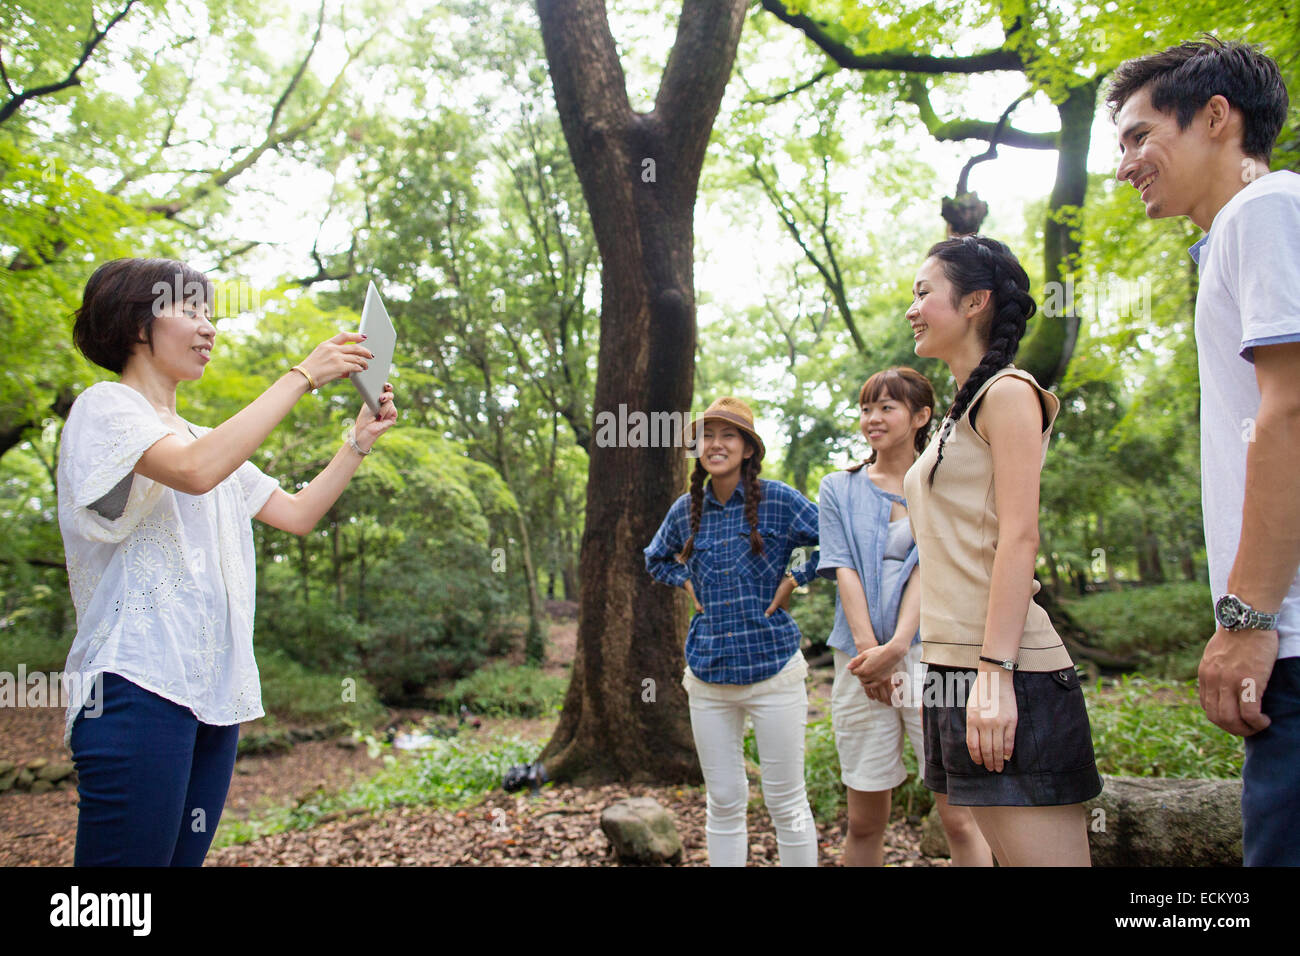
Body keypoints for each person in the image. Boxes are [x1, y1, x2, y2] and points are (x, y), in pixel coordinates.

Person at [57, 258, 397, 866]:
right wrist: (302, 375)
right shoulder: (104, 408)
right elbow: (193, 472)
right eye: (190, 311)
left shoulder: (199, 435)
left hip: (212, 699)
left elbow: (296, 514)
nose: (209, 327)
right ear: (138, 324)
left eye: (210, 312)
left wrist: (357, 442)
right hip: (135, 685)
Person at [1108, 36, 1300, 866]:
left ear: (1217, 117)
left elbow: (1289, 415)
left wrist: (1250, 619)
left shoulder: (1265, 209)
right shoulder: (1242, 230)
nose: (1126, 166)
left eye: (1139, 135)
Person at [902, 235, 1103, 866]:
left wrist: (995, 674)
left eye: (923, 292)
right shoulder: (954, 415)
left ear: (975, 302)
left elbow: (1021, 535)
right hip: (952, 668)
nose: (912, 308)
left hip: (1006, 671)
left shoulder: (1010, 394)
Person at [817, 366, 992, 866]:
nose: (872, 418)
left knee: (960, 817)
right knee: (864, 820)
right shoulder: (839, 487)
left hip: (935, 660)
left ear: (920, 415)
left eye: (886, 408)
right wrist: (871, 653)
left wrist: (896, 649)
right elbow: (842, 565)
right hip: (858, 659)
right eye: (866, 408)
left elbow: (931, 569)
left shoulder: (941, 482)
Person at [644, 396, 820, 866]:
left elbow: (837, 538)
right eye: (706, 435)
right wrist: (684, 581)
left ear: (747, 449)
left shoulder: (779, 500)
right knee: (722, 799)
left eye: (728, 435)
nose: (715, 444)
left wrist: (794, 579)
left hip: (774, 672)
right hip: (708, 676)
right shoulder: (686, 510)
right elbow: (654, 557)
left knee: (786, 801)